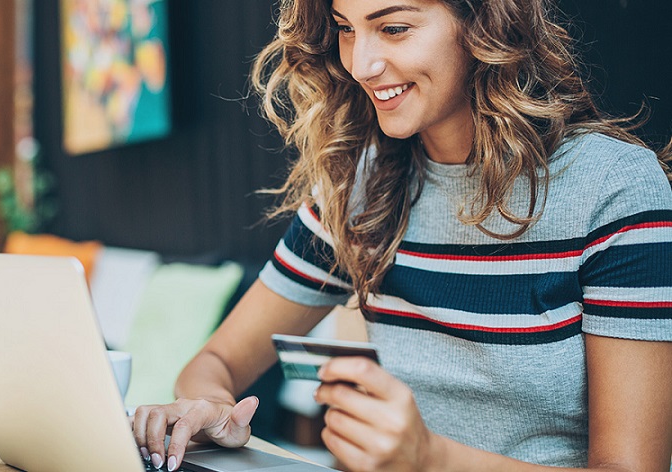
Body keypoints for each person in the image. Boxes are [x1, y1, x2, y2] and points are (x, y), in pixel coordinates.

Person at [131, 0, 672, 470]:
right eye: (346, 28)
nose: (361, 64)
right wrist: (210, 407)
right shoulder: (357, 189)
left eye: (393, 28)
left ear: (483, 24)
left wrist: (431, 460)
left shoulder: (613, 188)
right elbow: (214, 363)